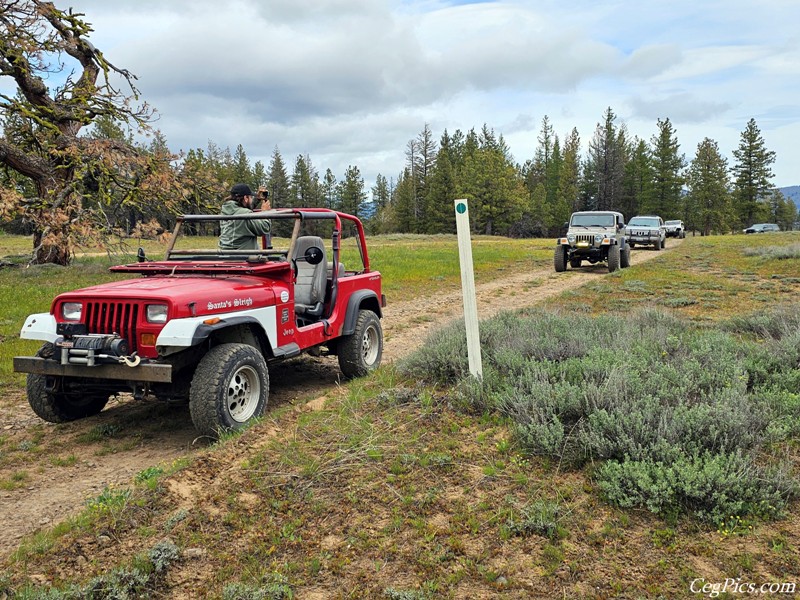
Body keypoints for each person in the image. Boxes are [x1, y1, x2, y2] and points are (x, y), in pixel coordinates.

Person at [218, 183, 272, 250]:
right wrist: (265, 213)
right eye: (250, 197)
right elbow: (264, 228)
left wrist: (257, 199)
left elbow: (244, 211)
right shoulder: (244, 214)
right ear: (245, 198)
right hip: (244, 256)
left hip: (226, 255)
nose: (251, 199)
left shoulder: (225, 211)